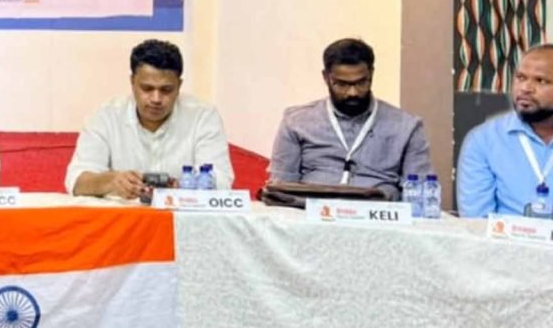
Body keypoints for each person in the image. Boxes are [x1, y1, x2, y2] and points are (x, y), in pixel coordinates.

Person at [65, 39, 234, 199]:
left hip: (182, 216)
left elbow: (221, 180)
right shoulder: (106, 116)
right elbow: (76, 181)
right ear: (132, 82)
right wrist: (111, 181)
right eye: (147, 88)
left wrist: (180, 186)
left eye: (166, 90)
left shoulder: (203, 116)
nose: (156, 99)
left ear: (179, 86)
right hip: (123, 215)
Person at [268, 37, 433, 199]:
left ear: (371, 74)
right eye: (342, 84)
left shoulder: (406, 127)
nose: (352, 93)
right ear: (326, 77)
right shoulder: (297, 122)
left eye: (361, 83)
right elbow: (280, 190)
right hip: (312, 211)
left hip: (378, 212)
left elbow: (419, 195)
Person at [457, 44, 553, 217]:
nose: (525, 88)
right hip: (506, 235)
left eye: (541, 81)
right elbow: (476, 221)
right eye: (520, 78)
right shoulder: (484, 141)